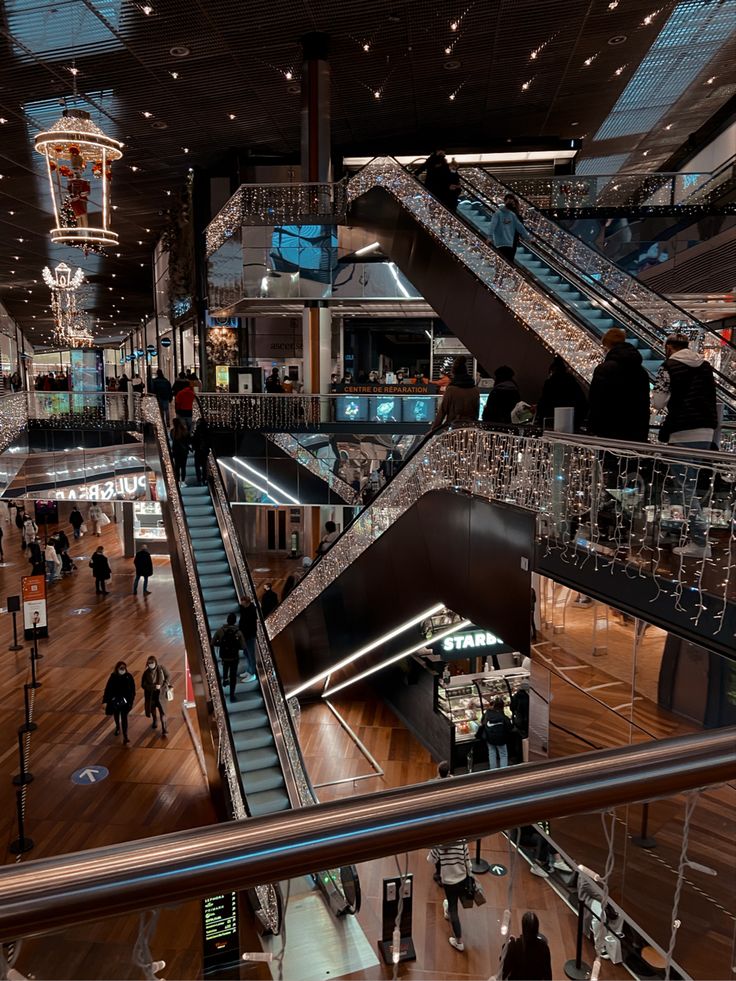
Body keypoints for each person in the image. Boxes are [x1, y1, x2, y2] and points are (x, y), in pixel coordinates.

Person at [653, 333, 718, 558]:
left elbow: (658, 402)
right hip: (707, 430)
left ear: (669, 347)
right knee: (691, 485)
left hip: (681, 431)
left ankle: (700, 541)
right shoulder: (705, 366)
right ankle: (694, 536)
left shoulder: (667, 367)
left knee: (685, 487)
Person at [587, 328, 651, 443]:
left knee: (608, 460)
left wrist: (592, 428)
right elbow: (644, 403)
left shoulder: (604, 369)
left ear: (607, 346)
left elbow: (596, 400)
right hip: (635, 433)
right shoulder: (641, 371)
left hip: (609, 431)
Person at [427, 839, 471, 952]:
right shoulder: (462, 842)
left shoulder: (440, 845)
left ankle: (459, 941)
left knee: (453, 908)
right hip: (462, 878)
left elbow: (430, 860)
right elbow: (468, 862)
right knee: (453, 902)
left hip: (449, 882)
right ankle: (447, 911)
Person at [535, 356, 588, 432]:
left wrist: (540, 418)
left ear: (552, 371)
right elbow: (582, 403)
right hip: (571, 422)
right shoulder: (572, 383)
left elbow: (544, 403)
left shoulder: (550, 383)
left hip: (552, 422)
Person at [430, 356, 480, 431]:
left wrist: (432, 430)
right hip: (471, 428)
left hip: (455, 428)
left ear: (454, 373)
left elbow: (442, 412)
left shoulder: (451, 389)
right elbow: (476, 413)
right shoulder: (475, 390)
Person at [502, 911, 552, 981]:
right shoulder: (544, 947)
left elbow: (504, 969)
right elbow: (548, 975)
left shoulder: (514, 946)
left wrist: (507, 945)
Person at [212, 612, 246, 702]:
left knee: (225, 667)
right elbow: (243, 646)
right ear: (235, 621)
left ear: (227, 620)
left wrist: (222, 644)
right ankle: (231, 695)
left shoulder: (220, 630)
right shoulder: (238, 632)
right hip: (234, 657)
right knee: (233, 676)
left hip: (224, 656)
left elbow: (213, 642)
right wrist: (236, 646)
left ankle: (225, 679)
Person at [489, 195, 530, 265]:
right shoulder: (504, 214)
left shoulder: (514, 215)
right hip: (506, 240)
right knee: (505, 260)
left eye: (512, 202)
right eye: (509, 201)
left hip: (510, 240)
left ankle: (502, 272)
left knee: (505, 260)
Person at [102, 661, 136, 744]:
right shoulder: (113, 677)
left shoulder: (128, 677)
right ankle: (117, 727)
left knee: (124, 718)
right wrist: (105, 701)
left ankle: (125, 736)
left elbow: (132, 690)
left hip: (125, 702)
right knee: (116, 715)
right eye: (121, 668)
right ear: (117, 669)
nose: (122, 670)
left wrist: (131, 701)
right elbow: (108, 689)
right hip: (116, 701)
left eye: (124, 668)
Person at [477, 696, 513, 769]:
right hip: (501, 738)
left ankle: (492, 770)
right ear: (502, 706)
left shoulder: (488, 713)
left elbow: (482, 722)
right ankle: (503, 771)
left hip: (489, 737)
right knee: (503, 754)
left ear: (494, 705)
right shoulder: (503, 717)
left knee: (492, 753)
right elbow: (509, 727)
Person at [141, 656, 171, 735]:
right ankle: (155, 720)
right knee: (153, 710)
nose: (151, 665)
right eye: (149, 663)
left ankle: (164, 728)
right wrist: (153, 687)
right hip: (151, 695)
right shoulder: (146, 673)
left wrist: (164, 685)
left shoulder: (161, 668)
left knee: (162, 712)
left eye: (152, 663)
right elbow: (143, 685)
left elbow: (168, 676)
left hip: (161, 694)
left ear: (155, 662)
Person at [237, 597, 258, 680]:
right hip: (244, 636)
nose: (241, 604)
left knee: (251, 655)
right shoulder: (246, 608)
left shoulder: (251, 611)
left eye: (243, 603)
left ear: (247, 603)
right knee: (246, 654)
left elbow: (250, 626)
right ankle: (249, 670)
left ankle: (252, 673)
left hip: (249, 636)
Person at [170, 417, 190, 485]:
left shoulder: (173, 431)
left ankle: (178, 481)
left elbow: (173, 440)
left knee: (177, 467)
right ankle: (183, 481)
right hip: (184, 451)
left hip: (176, 451)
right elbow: (188, 441)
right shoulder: (184, 431)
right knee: (183, 467)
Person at [190, 418, 209, 485]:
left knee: (197, 466)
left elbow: (193, 440)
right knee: (204, 466)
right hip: (204, 451)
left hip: (198, 451)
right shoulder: (207, 431)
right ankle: (204, 479)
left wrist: (193, 447)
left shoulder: (197, 431)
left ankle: (199, 480)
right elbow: (209, 441)